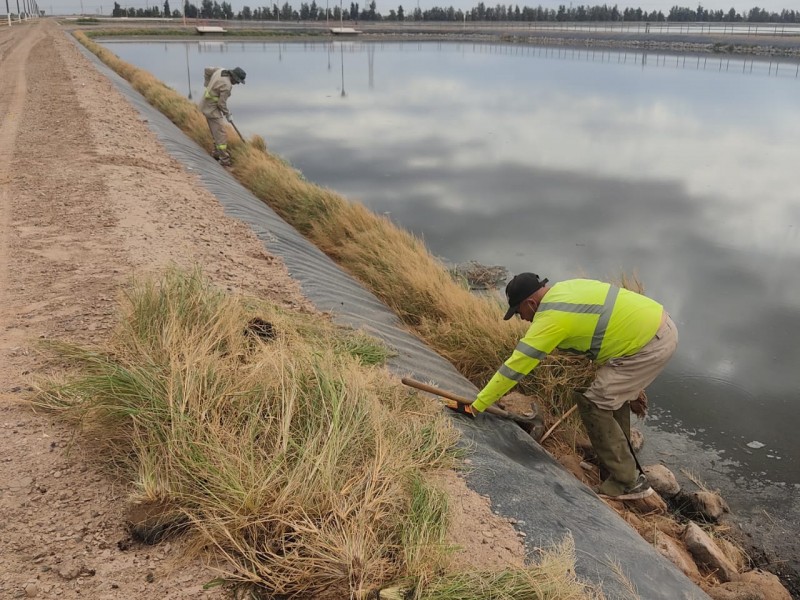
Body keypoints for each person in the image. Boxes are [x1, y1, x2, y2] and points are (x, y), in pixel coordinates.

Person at [467, 273, 678, 501]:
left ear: (531, 303)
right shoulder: (565, 290)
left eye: (519, 312)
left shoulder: (552, 317)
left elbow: (514, 368)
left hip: (647, 344)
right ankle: (616, 466)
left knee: (596, 402)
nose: (522, 319)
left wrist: (477, 405)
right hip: (656, 327)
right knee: (609, 396)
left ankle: (628, 483)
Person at [199, 66, 246, 167]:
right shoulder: (227, 85)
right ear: (234, 77)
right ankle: (224, 159)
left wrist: (207, 85)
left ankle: (216, 153)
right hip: (211, 109)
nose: (237, 83)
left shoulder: (220, 70)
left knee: (216, 131)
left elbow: (206, 70)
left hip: (205, 104)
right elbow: (221, 104)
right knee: (221, 133)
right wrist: (228, 114)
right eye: (238, 81)